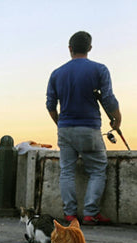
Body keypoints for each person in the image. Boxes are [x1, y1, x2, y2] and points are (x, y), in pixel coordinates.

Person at [46, 31, 122, 225]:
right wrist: (117, 119)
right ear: (89, 48)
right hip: (89, 128)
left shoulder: (56, 73)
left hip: (65, 129)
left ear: (70, 49)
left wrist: (60, 123)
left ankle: (70, 214)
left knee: (67, 171)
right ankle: (90, 213)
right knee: (97, 169)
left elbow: (50, 105)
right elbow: (108, 99)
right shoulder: (99, 69)